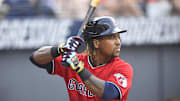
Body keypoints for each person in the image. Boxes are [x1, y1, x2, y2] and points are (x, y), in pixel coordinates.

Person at [29, 16, 133, 101]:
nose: (118, 42)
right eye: (112, 37)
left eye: (118, 37)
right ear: (96, 43)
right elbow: (35, 58)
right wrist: (61, 48)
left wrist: (78, 68)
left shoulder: (123, 68)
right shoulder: (76, 60)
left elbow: (108, 93)